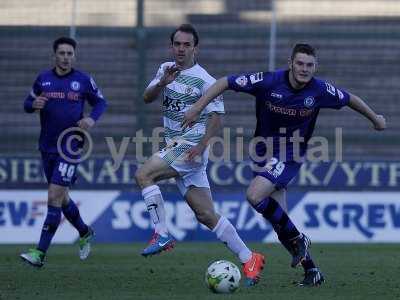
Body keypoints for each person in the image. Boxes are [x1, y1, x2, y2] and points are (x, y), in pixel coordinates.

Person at [182, 43, 386, 286]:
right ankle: (312, 271)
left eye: (309, 65)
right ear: (290, 63)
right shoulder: (268, 82)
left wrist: (375, 119)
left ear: (315, 67)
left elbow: (350, 99)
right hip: (261, 152)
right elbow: (225, 81)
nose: (304, 69)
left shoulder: (319, 90)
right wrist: (197, 107)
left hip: (290, 153)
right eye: (299, 63)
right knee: (282, 226)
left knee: (254, 195)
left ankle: (300, 239)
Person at [135, 24, 265, 286]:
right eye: (177, 44)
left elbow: (217, 120)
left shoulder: (205, 80)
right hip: (178, 146)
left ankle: (161, 233)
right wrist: (162, 82)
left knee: (144, 174)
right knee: (205, 215)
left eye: (186, 45)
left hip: (189, 145)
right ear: (171, 46)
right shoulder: (165, 69)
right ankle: (250, 257)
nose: (181, 49)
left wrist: (202, 146)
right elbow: (147, 98)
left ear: (196, 48)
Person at [20, 37, 108, 267]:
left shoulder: (83, 80)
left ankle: (39, 253)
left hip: (70, 147)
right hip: (47, 147)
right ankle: (85, 231)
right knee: (62, 197)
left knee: (53, 196)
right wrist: (33, 104)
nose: (66, 57)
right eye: (62, 53)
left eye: (70, 53)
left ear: (74, 56)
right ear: (55, 56)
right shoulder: (43, 79)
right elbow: (27, 103)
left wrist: (91, 118)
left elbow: (101, 102)